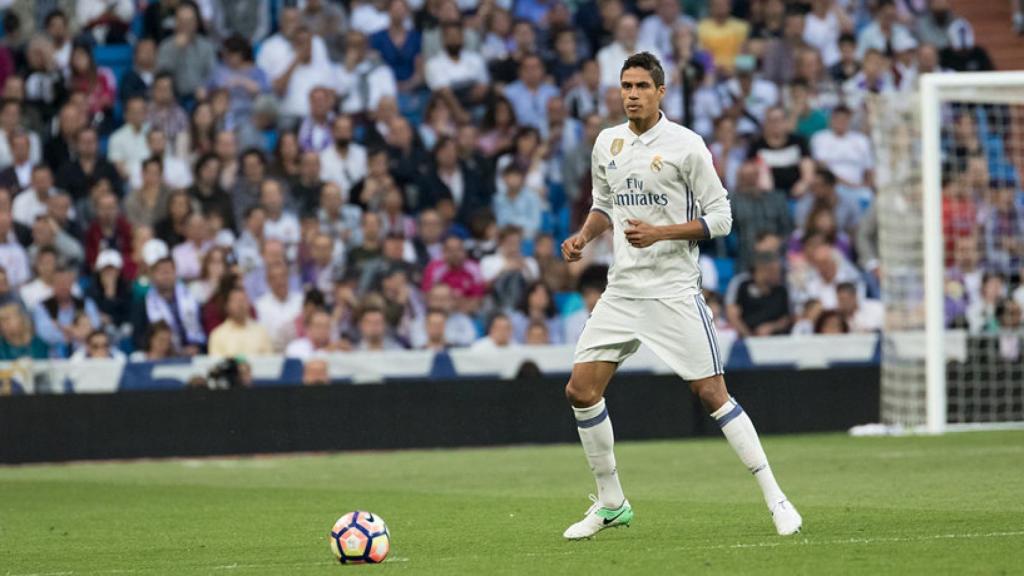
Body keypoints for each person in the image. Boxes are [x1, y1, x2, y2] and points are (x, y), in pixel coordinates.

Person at [558, 53, 801, 540]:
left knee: (712, 394)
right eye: (626, 85)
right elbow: (604, 204)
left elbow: (721, 218)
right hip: (623, 290)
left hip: (673, 291)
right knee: (580, 390)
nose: (632, 93)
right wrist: (585, 236)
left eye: (642, 86)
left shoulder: (687, 146)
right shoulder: (608, 142)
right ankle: (611, 504)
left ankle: (776, 496)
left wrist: (663, 233)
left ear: (660, 91)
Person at [208, 286, 274, 357]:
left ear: (249, 304)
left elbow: (269, 362)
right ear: (227, 306)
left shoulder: (261, 332)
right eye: (235, 301)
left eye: (243, 300)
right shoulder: (217, 335)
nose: (240, 305)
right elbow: (217, 365)